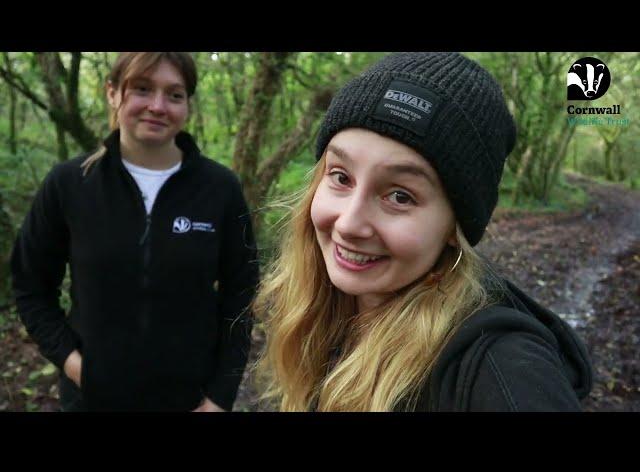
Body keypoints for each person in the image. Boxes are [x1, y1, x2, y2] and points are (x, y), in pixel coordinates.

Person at [253, 52, 593, 412]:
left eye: (400, 196)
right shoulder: (324, 310)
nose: (349, 223)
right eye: (340, 177)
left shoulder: (497, 364)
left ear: (454, 226)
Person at [10, 52, 259, 411]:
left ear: (187, 104)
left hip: (189, 401)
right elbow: (30, 286)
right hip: (91, 401)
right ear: (112, 93)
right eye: (142, 89)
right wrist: (76, 366)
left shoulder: (220, 189)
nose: (158, 106)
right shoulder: (69, 184)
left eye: (174, 95)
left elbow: (241, 296)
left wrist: (220, 397)